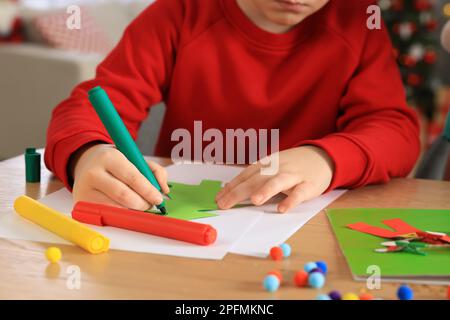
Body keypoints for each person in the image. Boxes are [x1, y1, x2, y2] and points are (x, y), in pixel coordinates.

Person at [45, 0, 420, 213]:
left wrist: (325, 159)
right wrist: (87, 153)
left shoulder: (357, 19)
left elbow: (395, 131)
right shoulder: (180, 12)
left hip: (300, 234)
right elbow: (92, 105)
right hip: (179, 239)